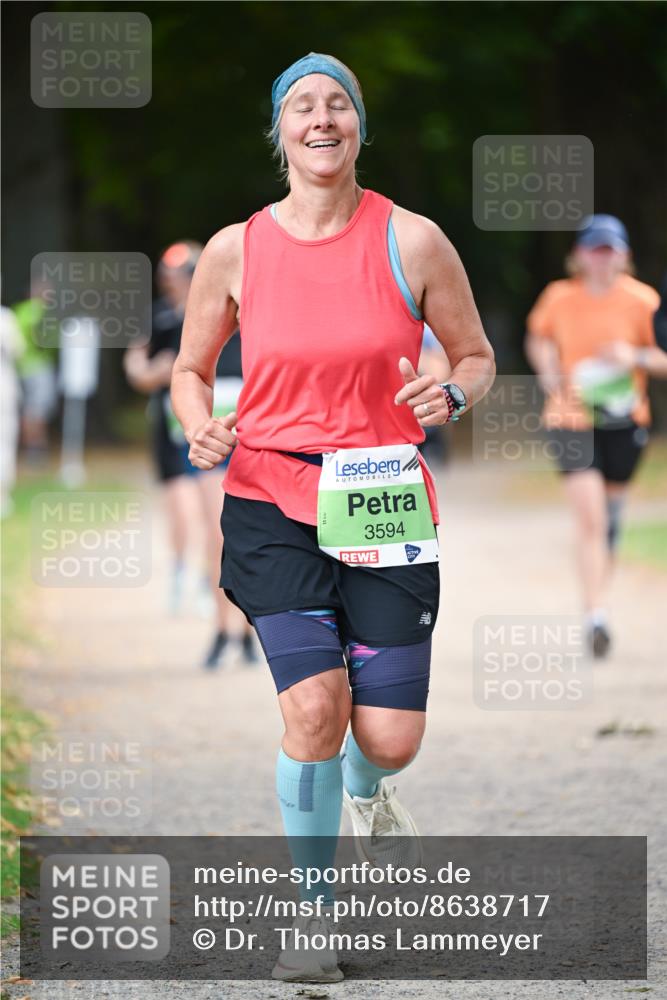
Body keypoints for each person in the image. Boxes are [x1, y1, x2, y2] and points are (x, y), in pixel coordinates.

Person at [172, 52, 495, 983]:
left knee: (385, 738)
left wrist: (452, 396)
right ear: (279, 130)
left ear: (358, 126)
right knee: (314, 710)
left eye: (339, 105)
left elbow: (473, 356)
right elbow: (192, 370)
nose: (322, 118)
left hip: (382, 492)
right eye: (302, 106)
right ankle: (314, 919)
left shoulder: (414, 240)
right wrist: (201, 427)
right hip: (271, 495)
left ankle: (367, 790)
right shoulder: (236, 248)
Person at [525, 215, 667, 658]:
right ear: (578, 256)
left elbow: (662, 359)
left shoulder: (643, 301)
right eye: (594, 249)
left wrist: (633, 356)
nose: (602, 258)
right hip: (569, 418)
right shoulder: (559, 297)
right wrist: (548, 370)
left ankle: (598, 593)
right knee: (591, 518)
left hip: (625, 421)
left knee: (610, 516)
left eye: (610, 250)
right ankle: (596, 614)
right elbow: (538, 337)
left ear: (624, 256)